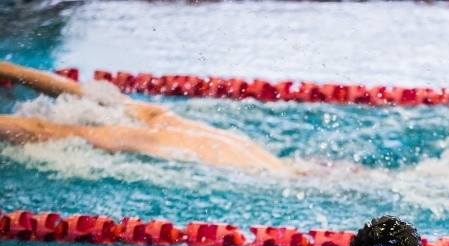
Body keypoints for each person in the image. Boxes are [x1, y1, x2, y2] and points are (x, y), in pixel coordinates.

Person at [0, 61, 288, 172]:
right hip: (158, 136)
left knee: (97, 104)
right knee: (57, 128)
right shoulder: (273, 171)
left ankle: (8, 69)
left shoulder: (274, 163)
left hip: (163, 127)